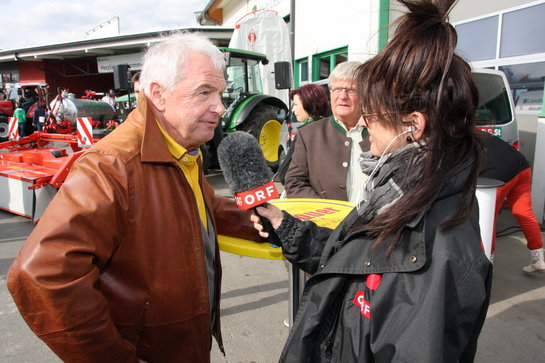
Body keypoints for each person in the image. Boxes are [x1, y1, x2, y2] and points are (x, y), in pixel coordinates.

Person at [251, 0, 492, 361]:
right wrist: (286, 227)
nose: (363, 124)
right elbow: (355, 262)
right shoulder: (400, 194)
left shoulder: (438, 253)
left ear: (413, 126)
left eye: (373, 116)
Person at [7, 32, 261, 362]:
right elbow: (42, 274)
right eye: (204, 92)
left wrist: (262, 221)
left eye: (220, 93)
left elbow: (200, 204)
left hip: (183, 343)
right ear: (158, 94)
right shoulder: (112, 165)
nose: (220, 106)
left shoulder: (182, 147)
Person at [284, 61, 369, 203]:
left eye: (351, 90)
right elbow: (294, 182)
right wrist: (326, 211)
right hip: (325, 223)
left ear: (365, 94)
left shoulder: (380, 133)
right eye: (337, 89)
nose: (342, 96)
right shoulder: (309, 134)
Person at [480, 133, 545, 272]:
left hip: (497, 176)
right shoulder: (482, 135)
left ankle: (487, 264)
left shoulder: (458, 141)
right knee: (524, 212)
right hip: (521, 168)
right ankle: (538, 258)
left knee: (488, 220)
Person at [277, 83, 330, 185]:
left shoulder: (306, 133)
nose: (293, 109)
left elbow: (285, 174)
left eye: (296, 105)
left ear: (308, 104)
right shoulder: (332, 129)